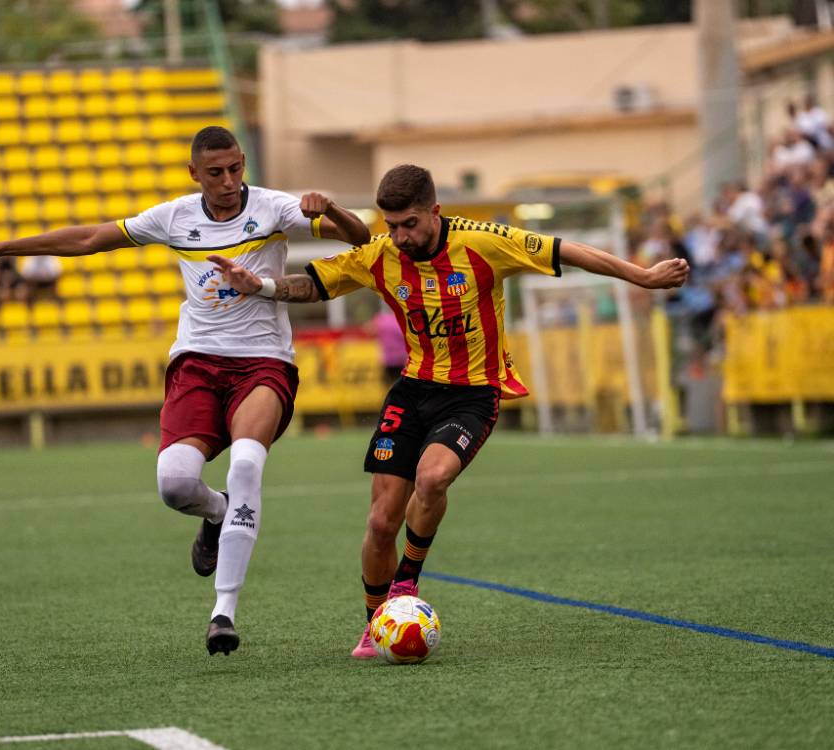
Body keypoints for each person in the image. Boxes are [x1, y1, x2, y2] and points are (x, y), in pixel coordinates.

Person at [208, 164, 689, 659]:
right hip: (413, 390)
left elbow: (570, 250)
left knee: (432, 478)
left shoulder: (484, 243)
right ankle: (378, 624)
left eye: (408, 224)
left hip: (473, 393)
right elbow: (313, 284)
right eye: (390, 225)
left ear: (435, 212)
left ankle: (405, 586)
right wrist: (260, 286)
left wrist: (643, 276)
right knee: (379, 523)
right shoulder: (381, 255)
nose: (398, 236)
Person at [0, 126, 370, 654]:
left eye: (236, 169)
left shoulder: (273, 208)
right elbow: (87, 240)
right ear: (195, 174)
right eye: (215, 173)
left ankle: (223, 612)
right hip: (196, 365)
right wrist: (0, 249)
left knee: (245, 466)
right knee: (174, 485)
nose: (228, 181)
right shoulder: (174, 217)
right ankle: (216, 514)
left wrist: (332, 208)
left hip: (263, 364)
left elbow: (358, 239)